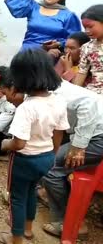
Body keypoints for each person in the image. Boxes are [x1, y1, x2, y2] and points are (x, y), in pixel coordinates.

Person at [0, 49, 69, 244]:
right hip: (46, 157)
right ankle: (27, 230)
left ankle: (15, 238)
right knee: (31, 192)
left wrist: (5, 144)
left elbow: (19, 143)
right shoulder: (58, 101)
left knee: (16, 198)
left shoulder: (27, 107)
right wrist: (52, 154)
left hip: (24, 160)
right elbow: (59, 132)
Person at [39, 81, 103, 240]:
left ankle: (68, 223)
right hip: (91, 131)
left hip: (98, 136)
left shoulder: (55, 93)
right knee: (45, 154)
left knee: (49, 166)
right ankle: (48, 193)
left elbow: (90, 103)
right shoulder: (50, 87)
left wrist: (79, 146)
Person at [4, 0, 81, 57]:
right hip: (26, 55)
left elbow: (76, 41)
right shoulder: (34, 7)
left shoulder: (68, 16)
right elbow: (11, 1)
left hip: (49, 58)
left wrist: (58, 44)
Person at [73, 4, 103, 94]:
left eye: (90, 26)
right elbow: (82, 73)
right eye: (85, 27)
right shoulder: (86, 48)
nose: (87, 31)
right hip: (95, 93)